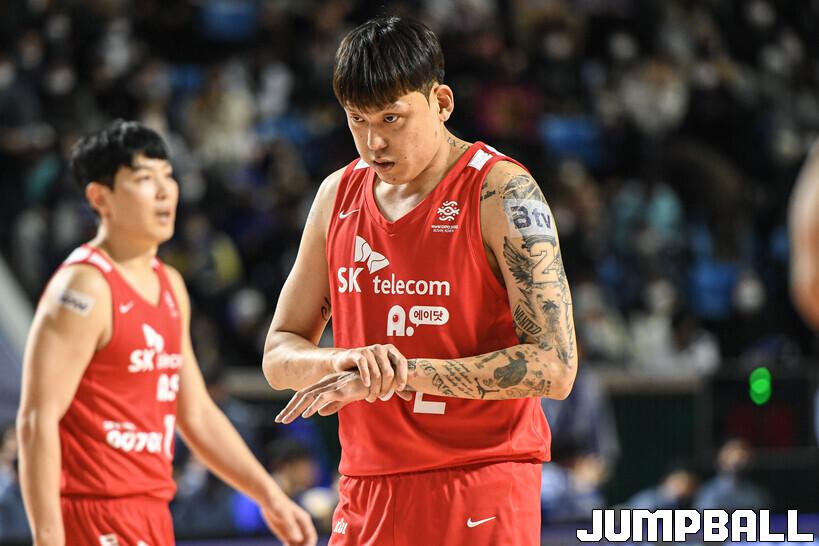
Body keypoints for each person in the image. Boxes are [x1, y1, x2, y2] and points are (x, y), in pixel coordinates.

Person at [263, 16, 577, 546]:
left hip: (479, 480)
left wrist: (403, 374)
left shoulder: (501, 191)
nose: (374, 141)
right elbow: (278, 354)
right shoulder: (336, 196)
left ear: (442, 102)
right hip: (366, 488)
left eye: (392, 117)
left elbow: (556, 366)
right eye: (357, 120)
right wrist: (345, 362)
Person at [16, 120, 316, 546]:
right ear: (100, 197)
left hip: (152, 512)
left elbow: (196, 414)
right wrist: (48, 539)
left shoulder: (170, 285)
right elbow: (36, 420)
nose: (164, 191)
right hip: (92, 513)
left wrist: (270, 496)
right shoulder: (84, 288)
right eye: (144, 179)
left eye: (167, 176)